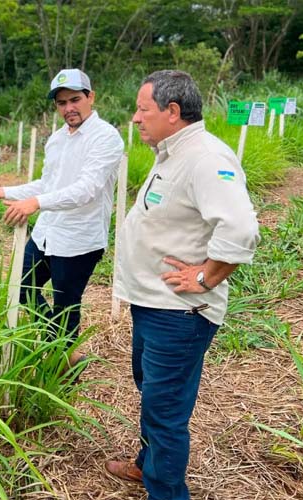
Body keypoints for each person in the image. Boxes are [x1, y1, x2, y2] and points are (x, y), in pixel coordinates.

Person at [106, 70, 259, 500]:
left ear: (172, 112)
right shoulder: (172, 153)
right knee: (153, 393)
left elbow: (241, 228)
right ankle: (146, 464)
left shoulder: (206, 158)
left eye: (143, 109)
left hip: (178, 314)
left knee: (165, 408)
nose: (135, 118)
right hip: (153, 304)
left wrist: (206, 275)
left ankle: (166, 491)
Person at [0, 68, 124, 367]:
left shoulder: (105, 137)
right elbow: (48, 184)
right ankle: (65, 350)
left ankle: (63, 369)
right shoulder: (56, 139)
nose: (69, 108)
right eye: (61, 103)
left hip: (79, 238)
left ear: (90, 97)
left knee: (66, 305)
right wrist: (5, 191)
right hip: (47, 233)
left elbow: (87, 189)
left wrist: (36, 203)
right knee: (20, 286)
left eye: (75, 99)